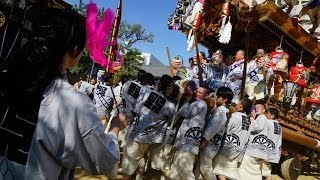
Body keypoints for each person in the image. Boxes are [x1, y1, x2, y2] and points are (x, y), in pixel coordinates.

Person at [0, 8, 126, 179]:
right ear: (74, 50)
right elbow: (103, 162)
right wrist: (115, 127)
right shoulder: (72, 102)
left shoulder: (7, 78)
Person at [122, 75, 176, 180]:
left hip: (136, 133)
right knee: (142, 157)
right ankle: (139, 176)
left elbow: (135, 108)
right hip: (151, 137)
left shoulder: (145, 90)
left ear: (159, 84)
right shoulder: (170, 105)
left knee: (129, 160)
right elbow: (171, 119)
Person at [168, 86, 210, 180]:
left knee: (185, 169)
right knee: (177, 168)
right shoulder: (196, 103)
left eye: (201, 93)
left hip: (189, 142)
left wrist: (187, 100)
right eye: (197, 91)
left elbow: (186, 113)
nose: (197, 93)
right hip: (185, 140)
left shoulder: (200, 103)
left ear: (206, 96)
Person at [211, 98, 252, 180]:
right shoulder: (248, 121)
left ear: (241, 106)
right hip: (238, 150)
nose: (237, 104)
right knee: (230, 174)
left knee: (218, 171)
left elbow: (225, 129)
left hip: (228, 148)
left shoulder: (235, 116)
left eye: (239, 103)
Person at [199, 86, 233, 180]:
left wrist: (205, 139)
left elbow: (214, 127)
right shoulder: (226, 112)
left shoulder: (221, 111)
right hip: (215, 143)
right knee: (202, 167)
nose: (216, 98)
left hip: (210, 143)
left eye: (219, 97)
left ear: (225, 99)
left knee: (205, 168)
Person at [237, 102, 269, 180]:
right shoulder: (260, 118)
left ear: (264, 110)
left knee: (243, 169)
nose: (256, 109)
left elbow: (256, 128)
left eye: (259, 107)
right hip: (256, 150)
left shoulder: (262, 117)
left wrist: (251, 119)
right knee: (254, 172)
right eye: (255, 107)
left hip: (253, 150)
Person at [263, 108, 282, 180]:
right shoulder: (279, 126)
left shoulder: (268, 123)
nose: (265, 115)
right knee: (267, 172)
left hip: (265, 151)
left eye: (267, 113)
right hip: (273, 152)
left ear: (272, 116)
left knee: (264, 173)